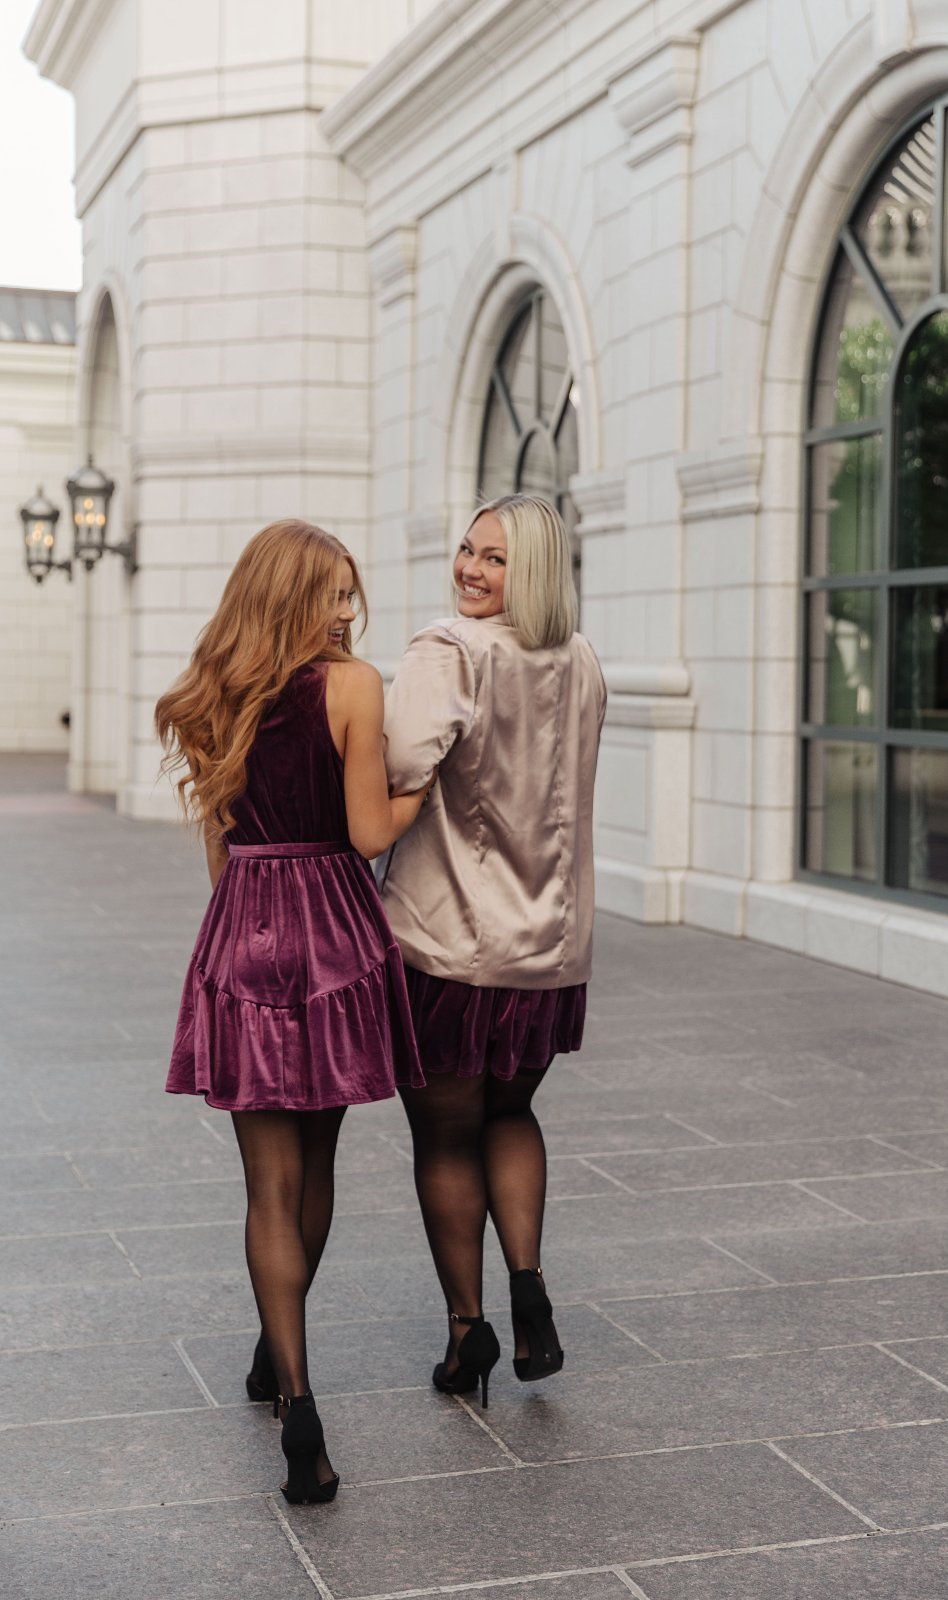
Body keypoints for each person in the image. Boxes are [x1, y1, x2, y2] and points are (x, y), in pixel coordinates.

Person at [157, 519, 428, 1503]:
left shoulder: (211, 691)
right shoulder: (353, 687)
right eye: (332, 595)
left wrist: (240, 920)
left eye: (351, 594)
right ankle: (289, 1375)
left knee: (264, 1182)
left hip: (243, 924)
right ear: (292, 597)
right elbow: (364, 834)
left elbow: (220, 844)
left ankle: (291, 1381)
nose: (348, 612)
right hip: (327, 932)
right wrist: (419, 791)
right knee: (314, 1164)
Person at [381, 493, 606, 1407]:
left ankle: (467, 1331)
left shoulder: (450, 650)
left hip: (449, 946)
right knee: (510, 1116)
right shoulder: (582, 660)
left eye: (494, 559)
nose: (469, 570)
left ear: (535, 572)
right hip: (549, 950)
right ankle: (531, 1292)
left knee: (444, 1134)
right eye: (466, 551)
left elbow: (398, 765)